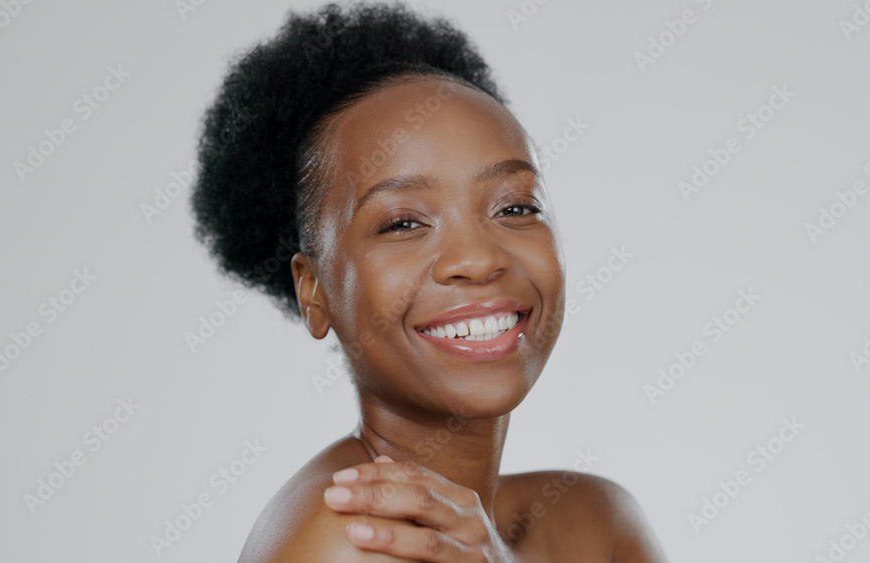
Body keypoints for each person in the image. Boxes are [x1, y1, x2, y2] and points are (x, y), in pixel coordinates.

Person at [191, 2, 667, 561]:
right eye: (403, 223)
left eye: (514, 208)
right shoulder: (351, 538)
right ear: (313, 291)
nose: (476, 258)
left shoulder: (593, 518)